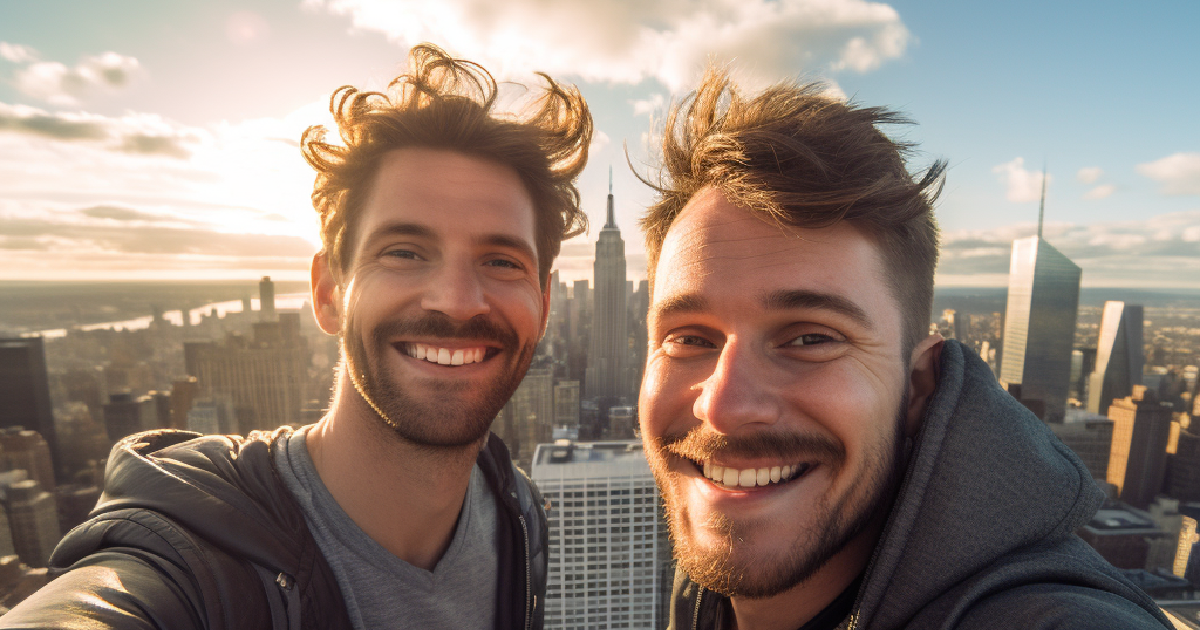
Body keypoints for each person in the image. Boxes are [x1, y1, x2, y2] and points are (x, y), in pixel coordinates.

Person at [3, 44, 591, 629]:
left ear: (542, 305)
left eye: (502, 261)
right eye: (405, 251)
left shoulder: (517, 514)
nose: (457, 300)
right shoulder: (194, 559)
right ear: (329, 292)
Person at [636, 69, 1173, 630]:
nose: (723, 407)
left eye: (811, 338)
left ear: (918, 384)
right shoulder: (705, 592)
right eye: (690, 338)